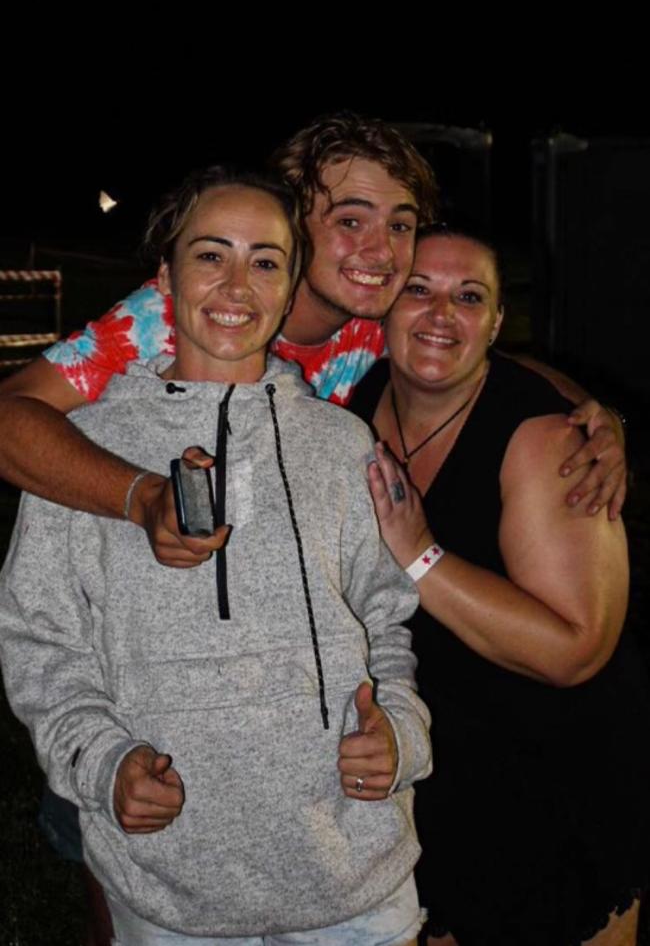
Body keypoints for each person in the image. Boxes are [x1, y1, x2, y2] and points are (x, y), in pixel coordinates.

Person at [0, 168, 432, 944]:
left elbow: (386, 614)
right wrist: (103, 763)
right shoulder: (83, 445)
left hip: (355, 883)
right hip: (172, 890)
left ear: (293, 281)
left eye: (265, 261)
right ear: (162, 275)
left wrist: (400, 728)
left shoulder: (340, 441)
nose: (237, 285)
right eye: (210, 256)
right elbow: (40, 641)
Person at [0, 114, 627, 574]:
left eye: (400, 225)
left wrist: (594, 416)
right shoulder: (182, 314)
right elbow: (10, 416)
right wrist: (142, 500)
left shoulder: (373, 322)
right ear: (292, 225)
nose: (382, 253)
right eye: (350, 221)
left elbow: (486, 365)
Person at [348, 226, 650, 946]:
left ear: (495, 321)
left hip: (555, 779)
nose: (440, 313)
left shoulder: (545, 438)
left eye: (469, 296)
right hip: (438, 768)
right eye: (418, 289)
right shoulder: (360, 399)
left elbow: (575, 649)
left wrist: (423, 556)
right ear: (385, 304)